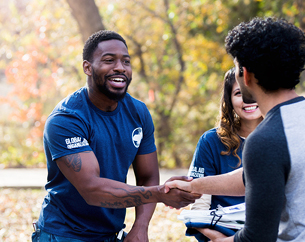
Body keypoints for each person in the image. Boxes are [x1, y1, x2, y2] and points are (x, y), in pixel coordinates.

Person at [166, 17, 305, 242]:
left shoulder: (266, 139)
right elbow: (256, 175)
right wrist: (194, 185)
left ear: (246, 75)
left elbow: (257, 238)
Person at [32, 30, 200, 242]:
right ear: (87, 68)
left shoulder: (138, 113)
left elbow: (147, 176)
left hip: (110, 234)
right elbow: (92, 189)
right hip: (63, 234)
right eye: (109, 60)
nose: (120, 67)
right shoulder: (66, 119)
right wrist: (159, 193)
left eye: (126, 61)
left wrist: (140, 227)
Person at [186, 67, 262, 241]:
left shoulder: (281, 137)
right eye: (239, 93)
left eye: (253, 91)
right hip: (219, 235)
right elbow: (199, 206)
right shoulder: (210, 141)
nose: (248, 99)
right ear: (229, 99)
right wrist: (220, 240)